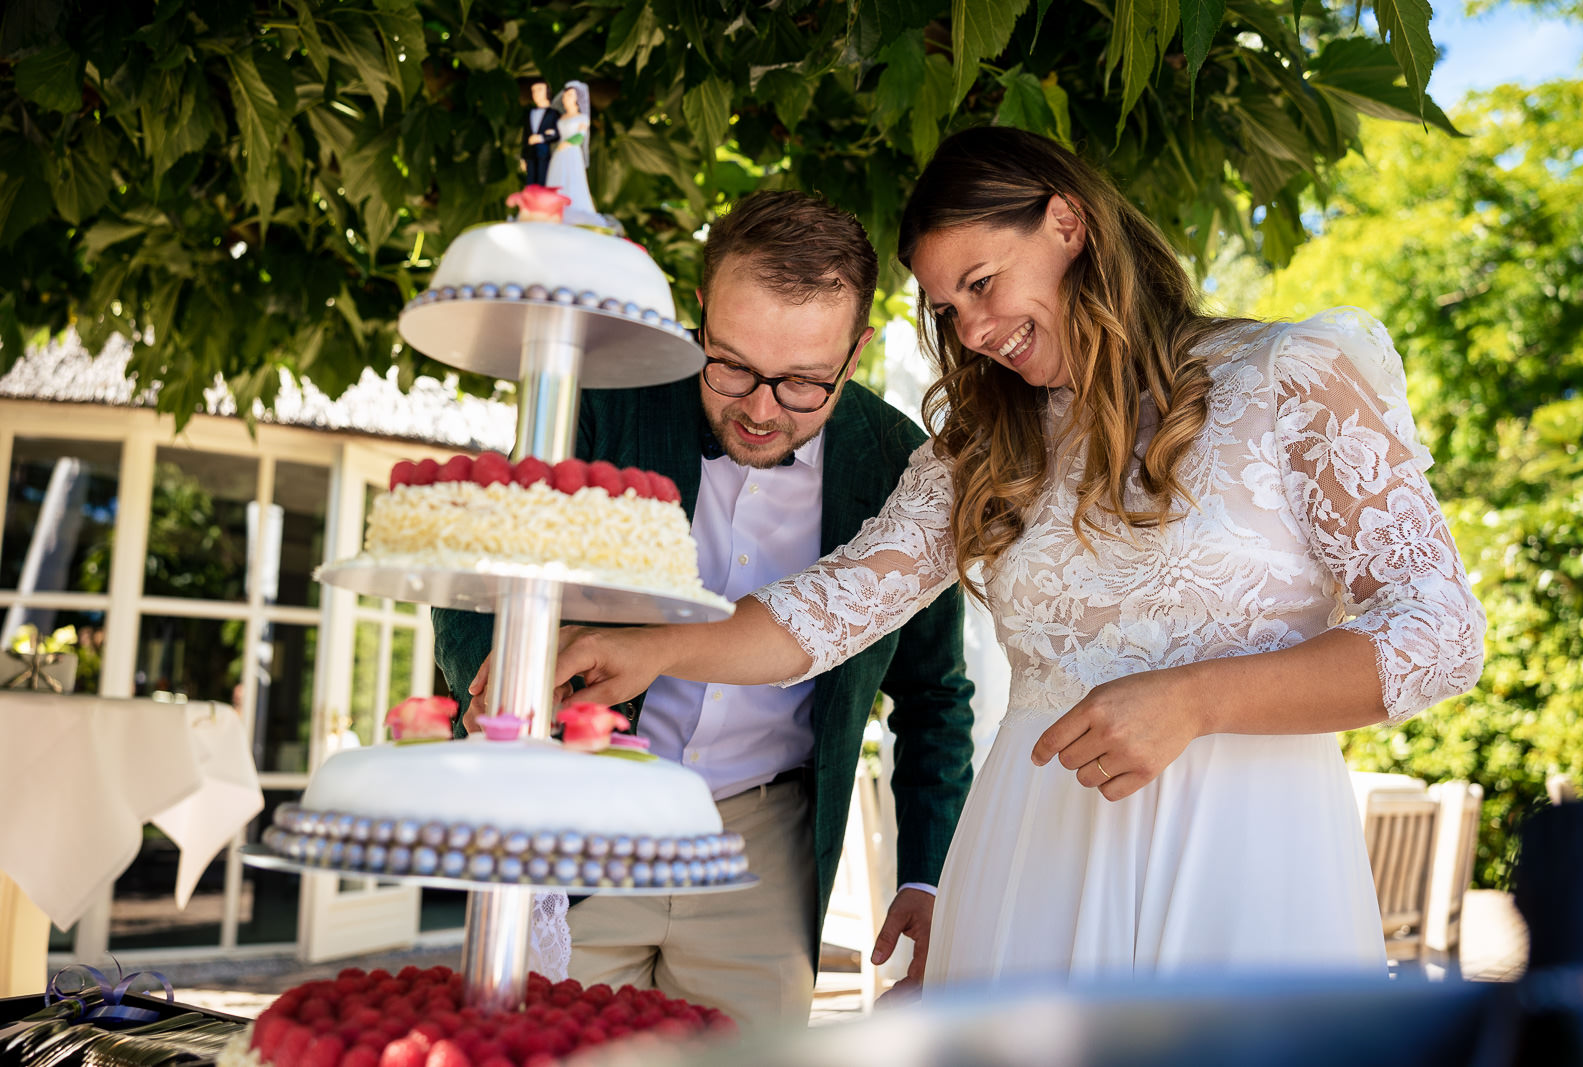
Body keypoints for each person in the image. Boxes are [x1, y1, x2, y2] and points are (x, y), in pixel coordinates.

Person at [549, 126, 1488, 987]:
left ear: (1067, 223)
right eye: (948, 308)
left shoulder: (1292, 377)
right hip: (1030, 859)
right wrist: (655, 650)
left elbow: (1440, 633)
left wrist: (1200, 700)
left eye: (983, 283)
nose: (973, 331)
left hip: (1238, 862)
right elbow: (830, 608)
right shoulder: (979, 445)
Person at [433, 190, 976, 1026]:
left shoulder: (902, 462)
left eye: (802, 382)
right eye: (732, 366)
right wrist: (497, 686)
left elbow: (935, 696)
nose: (761, 408)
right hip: (588, 813)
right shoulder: (604, 396)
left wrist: (926, 870)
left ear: (858, 350)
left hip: (767, 846)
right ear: (700, 314)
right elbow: (483, 568)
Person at [543, 81, 601, 227]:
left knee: (573, 179)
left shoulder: (582, 118)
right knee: (556, 177)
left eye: (570, 95)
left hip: (571, 152)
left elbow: (580, 136)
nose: (566, 98)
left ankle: (574, 210)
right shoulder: (561, 118)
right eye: (566, 95)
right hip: (560, 153)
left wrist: (568, 143)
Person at [519, 78, 561, 187]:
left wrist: (542, 138)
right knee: (531, 183)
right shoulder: (529, 114)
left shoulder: (553, 114)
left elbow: (557, 133)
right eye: (534, 91)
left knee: (544, 182)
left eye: (539, 89)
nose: (536, 93)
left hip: (546, 155)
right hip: (531, 154)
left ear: (547, 91)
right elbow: (525, 136)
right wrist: (523, 157)